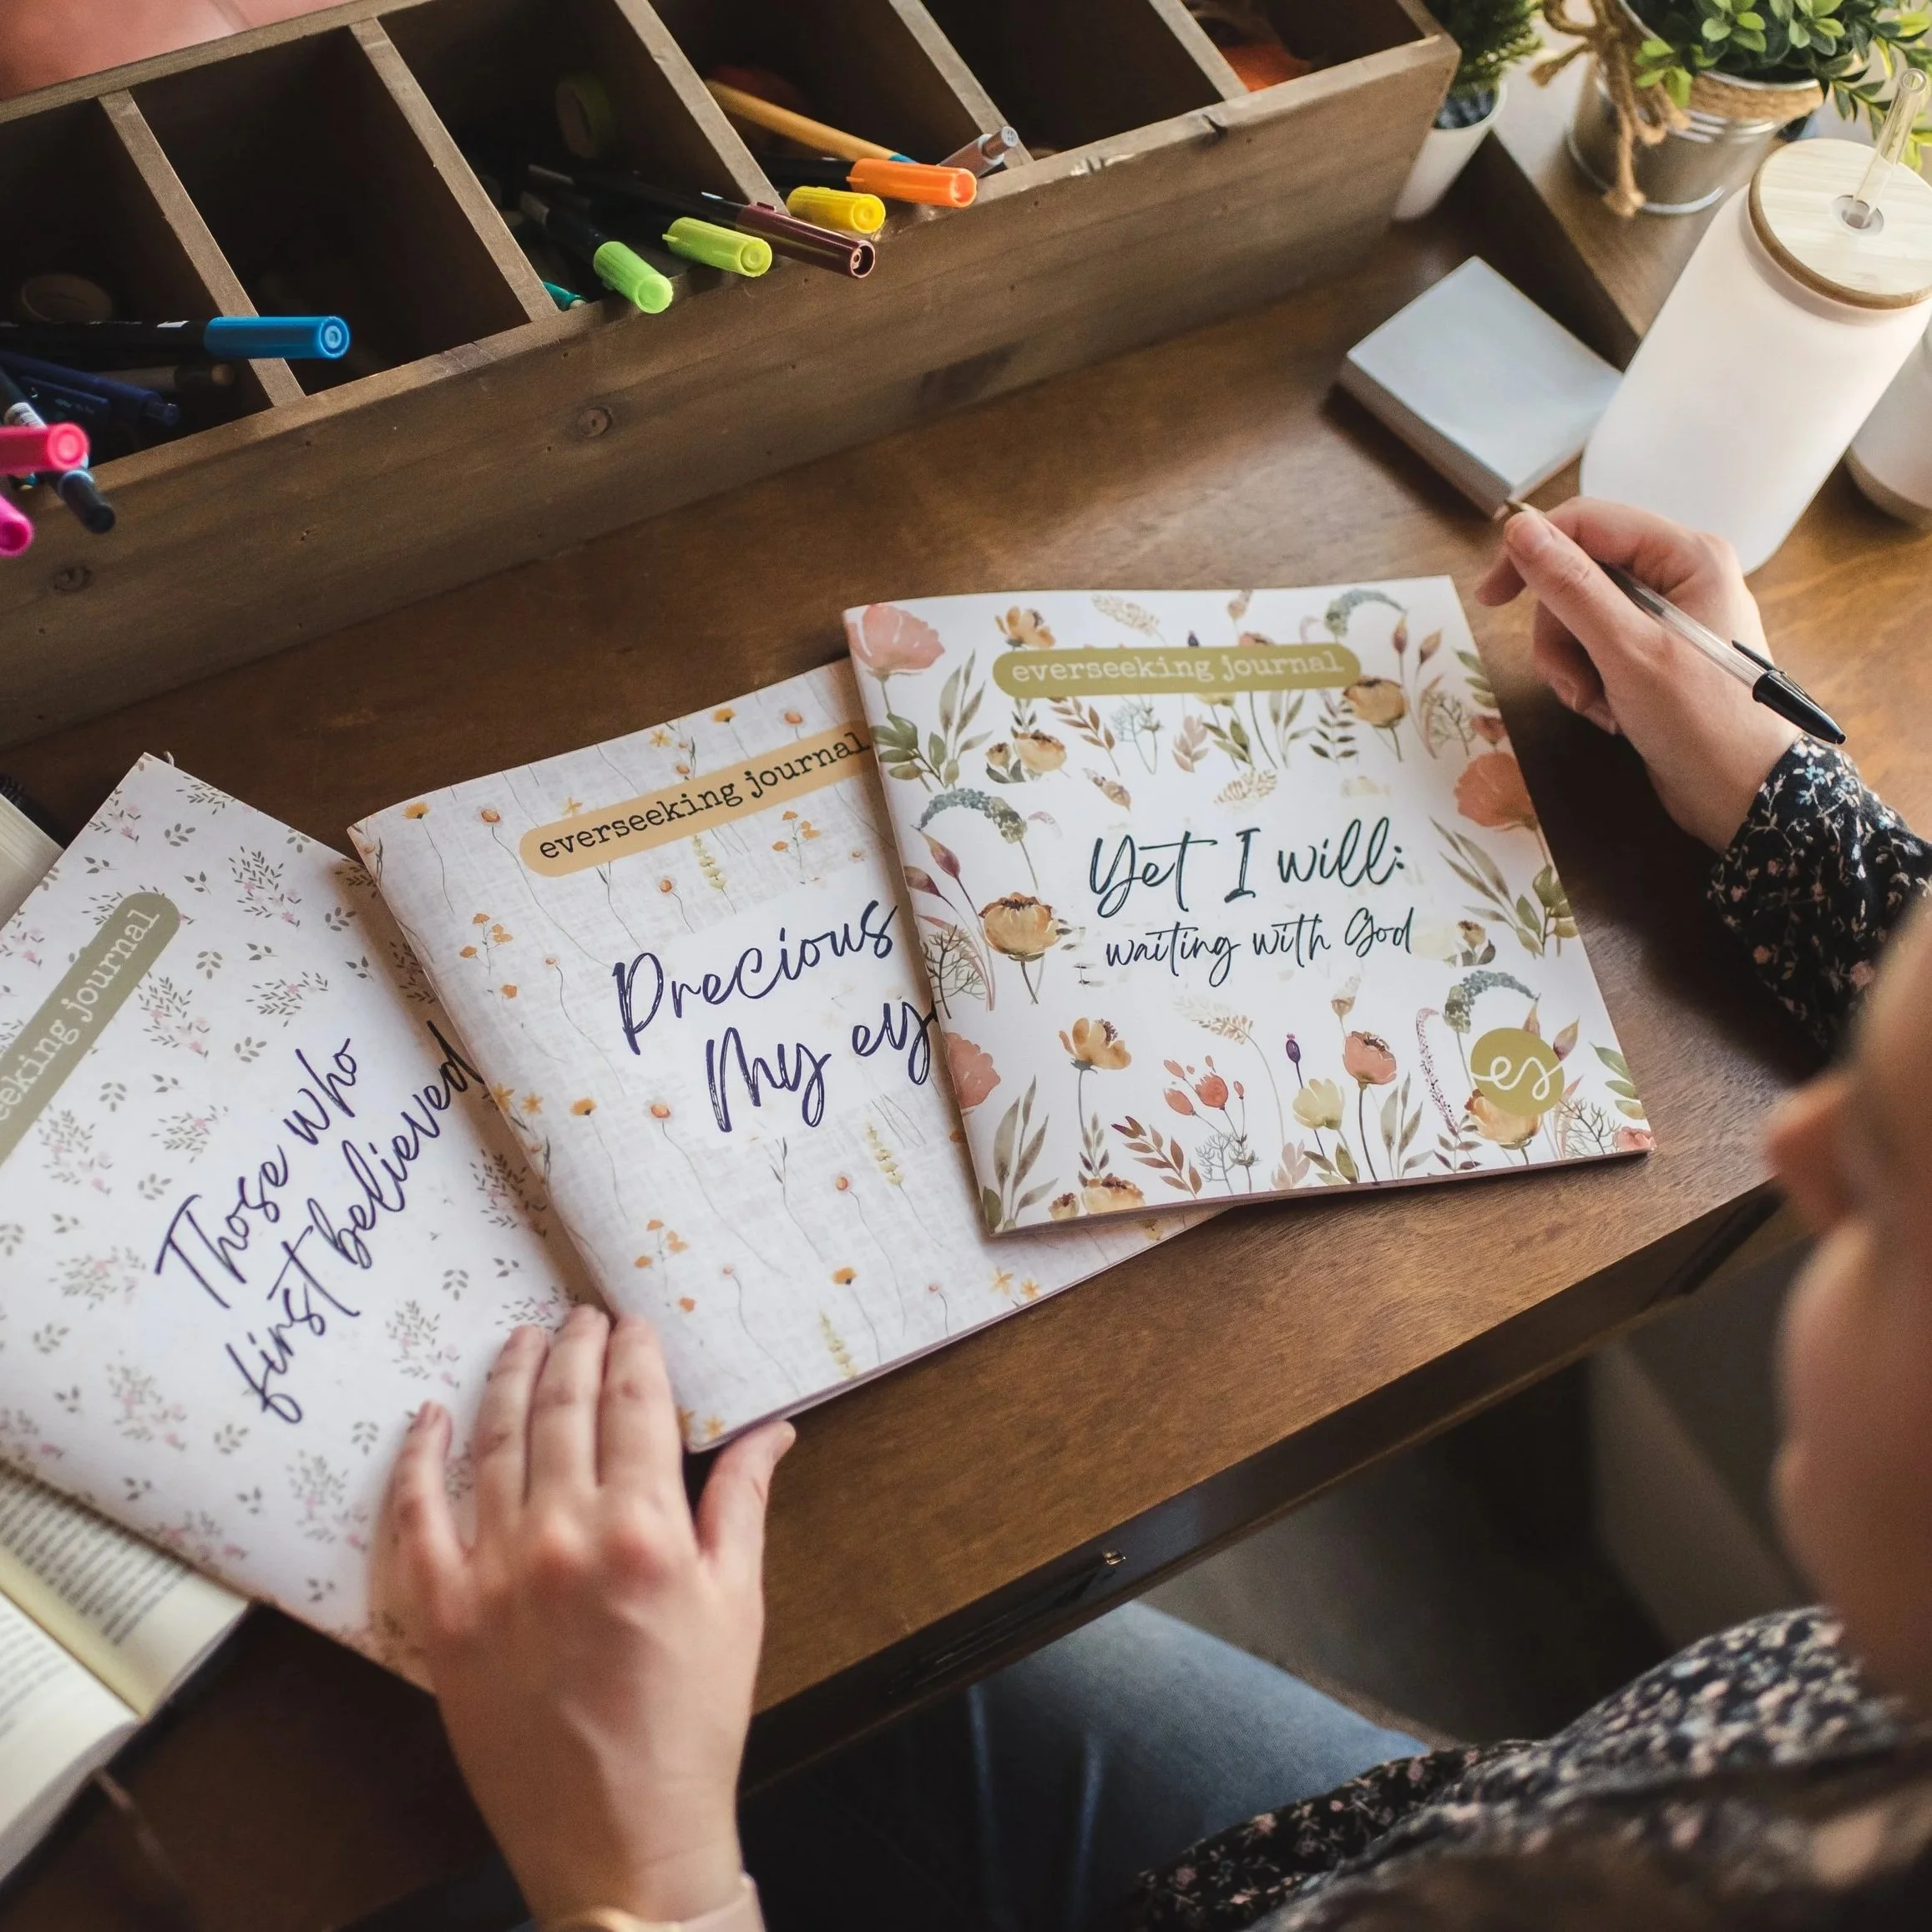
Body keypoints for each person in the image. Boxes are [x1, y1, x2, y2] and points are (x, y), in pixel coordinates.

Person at [377, 499, 1932, 1932]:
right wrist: (1776, 786)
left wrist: (642, 1880)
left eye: (1903, 1200)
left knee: (425, 1825)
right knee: (872, 1669)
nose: (1802, 1145)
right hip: (1366, 1842)